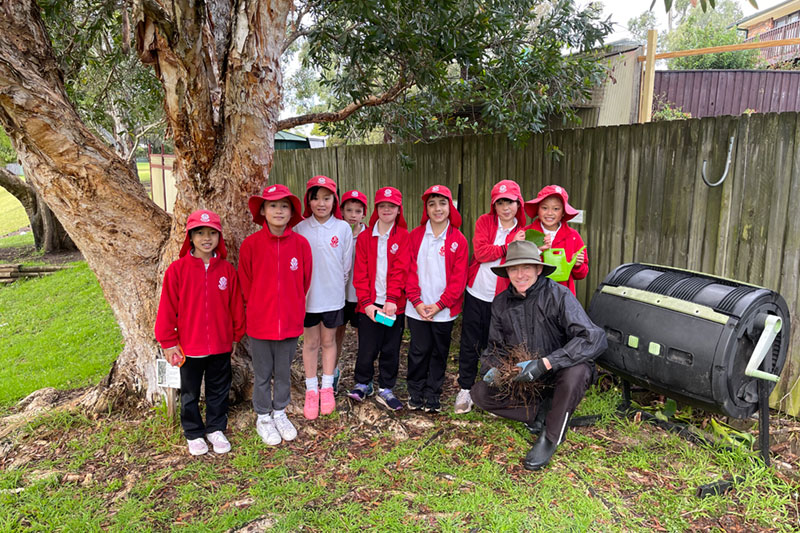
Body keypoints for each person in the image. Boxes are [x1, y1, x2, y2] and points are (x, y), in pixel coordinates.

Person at [470, 240, 607, 471]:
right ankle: (542, 411)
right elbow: (496, 347)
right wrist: (492, 370)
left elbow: (593, 337)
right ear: (507, 272)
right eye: (514, 268)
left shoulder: (558, 294)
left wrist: (546, 363)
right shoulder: (501, 303)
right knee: (480, 394)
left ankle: (551, 437)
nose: (520, 274)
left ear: (538, 269)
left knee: (578, 370)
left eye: (526, 267)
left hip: (559, 372)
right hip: (527, 381)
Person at [155, 210, 245, 456]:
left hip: (220, 343)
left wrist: (236, 335)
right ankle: (193, 432)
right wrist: (168, 341)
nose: (207, 238)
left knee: (218, 389)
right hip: (189, 347)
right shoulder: (177, 270)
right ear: (190, 237)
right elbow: (167, 308)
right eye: (200, 233)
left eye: (212, 233)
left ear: (219, 237)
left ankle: (216, 428)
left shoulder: (226, 270)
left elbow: (236, 304)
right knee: (190, 392)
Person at [239, 185, 312, 446]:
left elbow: (304, 281)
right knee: (262, 373)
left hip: (290, 322)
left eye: (284, 205)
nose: (278, 210)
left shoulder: (301, 245)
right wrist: (259, 307)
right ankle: (263, 417)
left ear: (291, 211)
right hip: (260, 322)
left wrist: (291, 307)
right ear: (263, 211)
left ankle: (280, 412)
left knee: (283, 371)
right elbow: (246, 284)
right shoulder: (251, 245)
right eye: (272, 205)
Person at [454, 180, 527, 415]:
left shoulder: (524, 231)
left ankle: (491, 392)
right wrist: (507, 246)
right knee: (470, 342)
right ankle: (465, 388)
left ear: (519, 204)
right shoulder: (485, 222)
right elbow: (481, 253)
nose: (506, 207)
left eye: (511, 202)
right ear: (494, 205)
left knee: (499, 346)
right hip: (477, 292)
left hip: (504, 297)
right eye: (501, 202)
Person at [294, 176, 354, 419]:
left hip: (333, 298)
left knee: (329, 342)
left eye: (326, 198)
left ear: (334, 201)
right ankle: (311, 390)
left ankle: (327, 386)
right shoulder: (300, 228)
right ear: (308, 200)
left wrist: (334, 289)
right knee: (311, 343)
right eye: (316, 197)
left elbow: (345, 267)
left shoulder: (342, 228)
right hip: (308, 299)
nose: (321, 203)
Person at [405, 185, 468, 413]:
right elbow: (407, 271)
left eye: (442, 203)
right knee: (419, 350)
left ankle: (433, 394)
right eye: (432, 204)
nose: (437, 209)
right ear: (426, 208)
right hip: (417, 308)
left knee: (439, 352)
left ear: (450, 207)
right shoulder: (415, 236)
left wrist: (440, 305)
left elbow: (459, 280)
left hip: (444, 310)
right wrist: (417, 302)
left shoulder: (458, 239)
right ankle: (415, 392)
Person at [348, 186, 410, 411]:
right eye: (383, 205)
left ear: (398, 209)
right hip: (370, 305)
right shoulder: (365, 237)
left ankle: (386, 387)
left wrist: (393, 299)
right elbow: (360, 272)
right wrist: (366, 303)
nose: (387, 209)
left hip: (394, 305)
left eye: (391, 206)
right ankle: (363, 383)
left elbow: (402, 269)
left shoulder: (403, 236)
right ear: (377, 208)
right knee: (367, 346)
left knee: (391, 348)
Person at [523, 184, 587, 296]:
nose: (549, 213)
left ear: (563, 212)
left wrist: (577, 265)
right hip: (533, 295)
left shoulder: (573, 236)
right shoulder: (526, 234)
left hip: (562, 296)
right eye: (544, 208)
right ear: (538, 209)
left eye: (556, 209)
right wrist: (536, 251)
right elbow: (517, 267)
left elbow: (582, 274)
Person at [335, 189, 369, 392]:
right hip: (340, 295)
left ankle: (363, 377)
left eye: (357, 211)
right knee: (336, 334)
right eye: (349, 210)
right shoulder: (337, 232)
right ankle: (334, 372)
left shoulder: (370, 234)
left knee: (363, 336)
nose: (353, 215)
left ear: (364, 213)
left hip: (361, 296)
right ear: (341, 211)